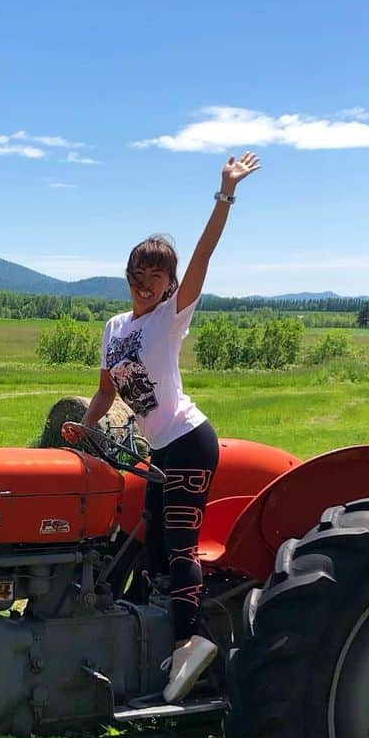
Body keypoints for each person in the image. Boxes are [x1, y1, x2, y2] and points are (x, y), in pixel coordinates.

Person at [80, 153, 260, 703]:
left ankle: (192, 642)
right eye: (137, 276)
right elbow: (107, 392)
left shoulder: (171, 315)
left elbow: (204, 252)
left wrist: (224, 194)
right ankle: (164, 635)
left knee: (181, 545)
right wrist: (83, 431)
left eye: (154, 278)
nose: (143, 285)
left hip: (188, 441)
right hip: (158, 452)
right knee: (154, 551)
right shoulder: (114, 328)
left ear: (169, 284)